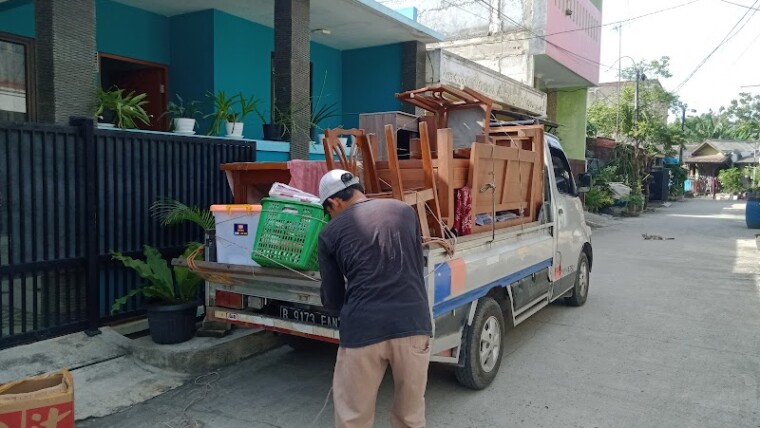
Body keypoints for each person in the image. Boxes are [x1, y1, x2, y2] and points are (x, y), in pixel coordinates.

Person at [317, 169, 433, 428]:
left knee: (353, 418)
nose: (330, 217)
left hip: (362, 331)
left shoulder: (329, 233)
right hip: (413, 324)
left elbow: (334, 300)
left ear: (334, 202)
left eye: (328, 211)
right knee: (410, 417)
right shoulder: (404, 211)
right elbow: (415, 263)